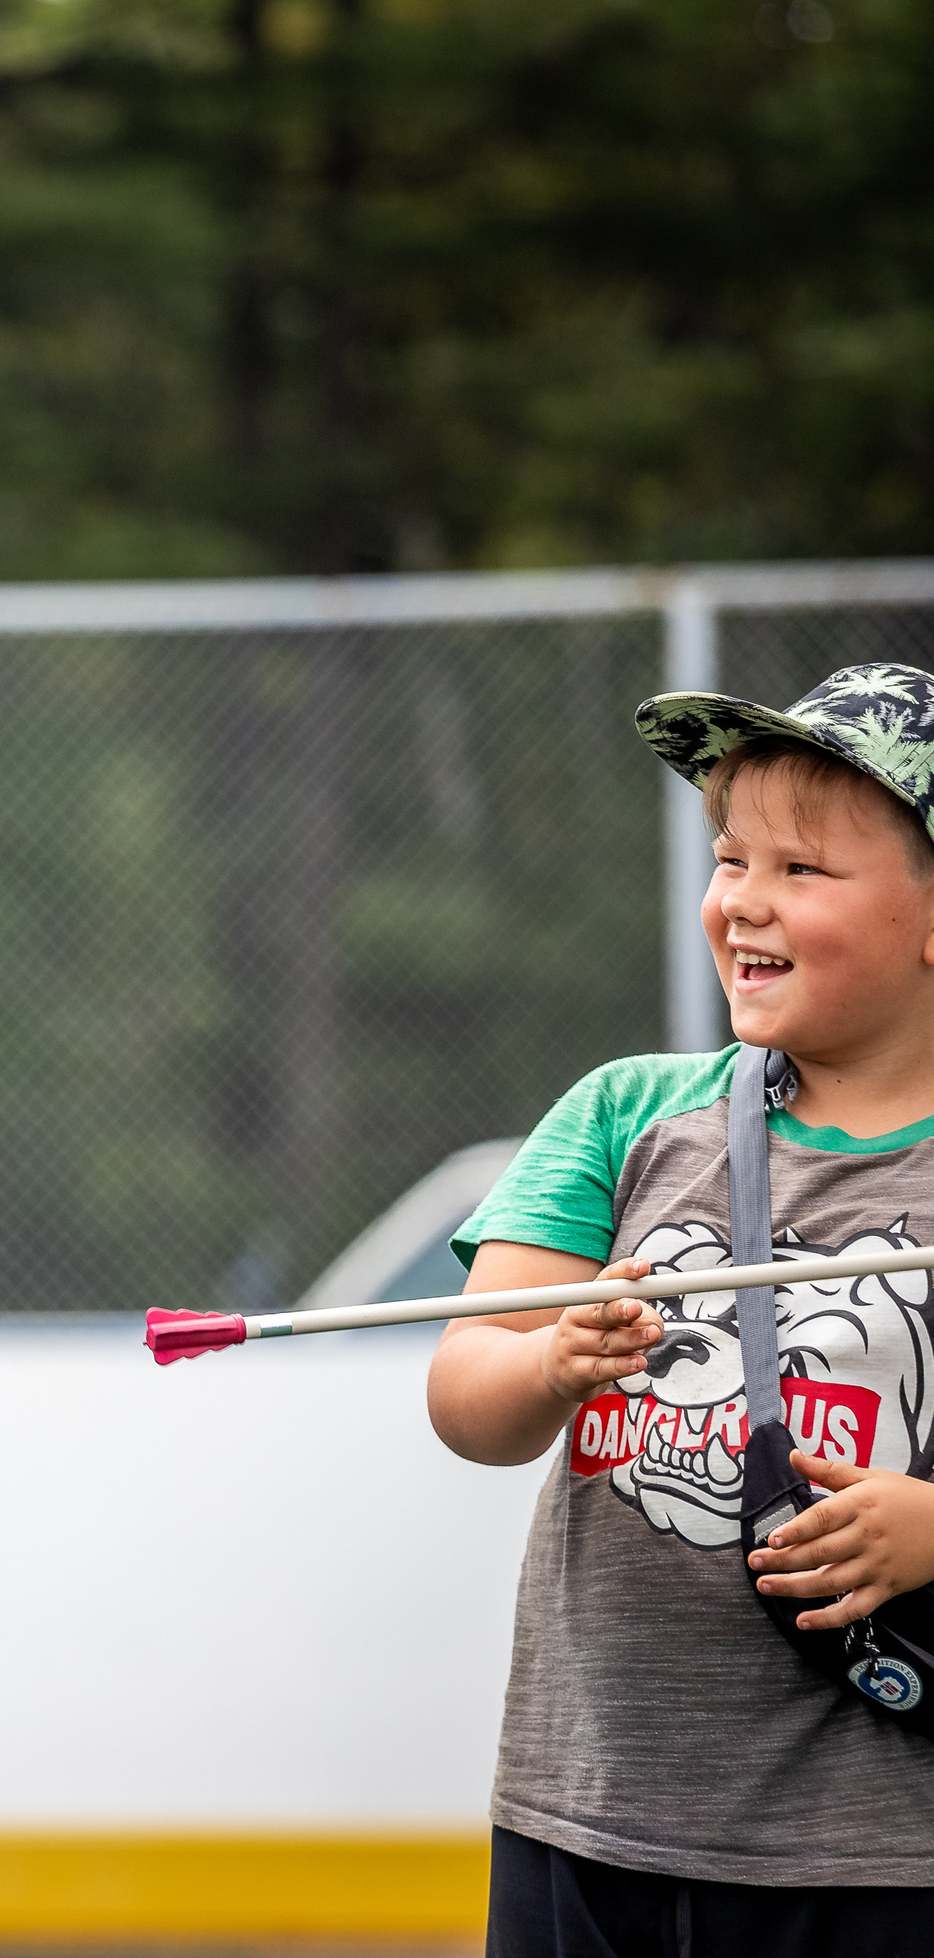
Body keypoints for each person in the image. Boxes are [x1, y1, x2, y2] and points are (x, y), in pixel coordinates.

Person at [432, 663, 934, 1957]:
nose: (744, 902)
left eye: (804, 871)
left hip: (885, 1857)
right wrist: (552, 1358)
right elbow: (466, 1401)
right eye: (730, 858)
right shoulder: (624, 1114)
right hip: (589, 1827)